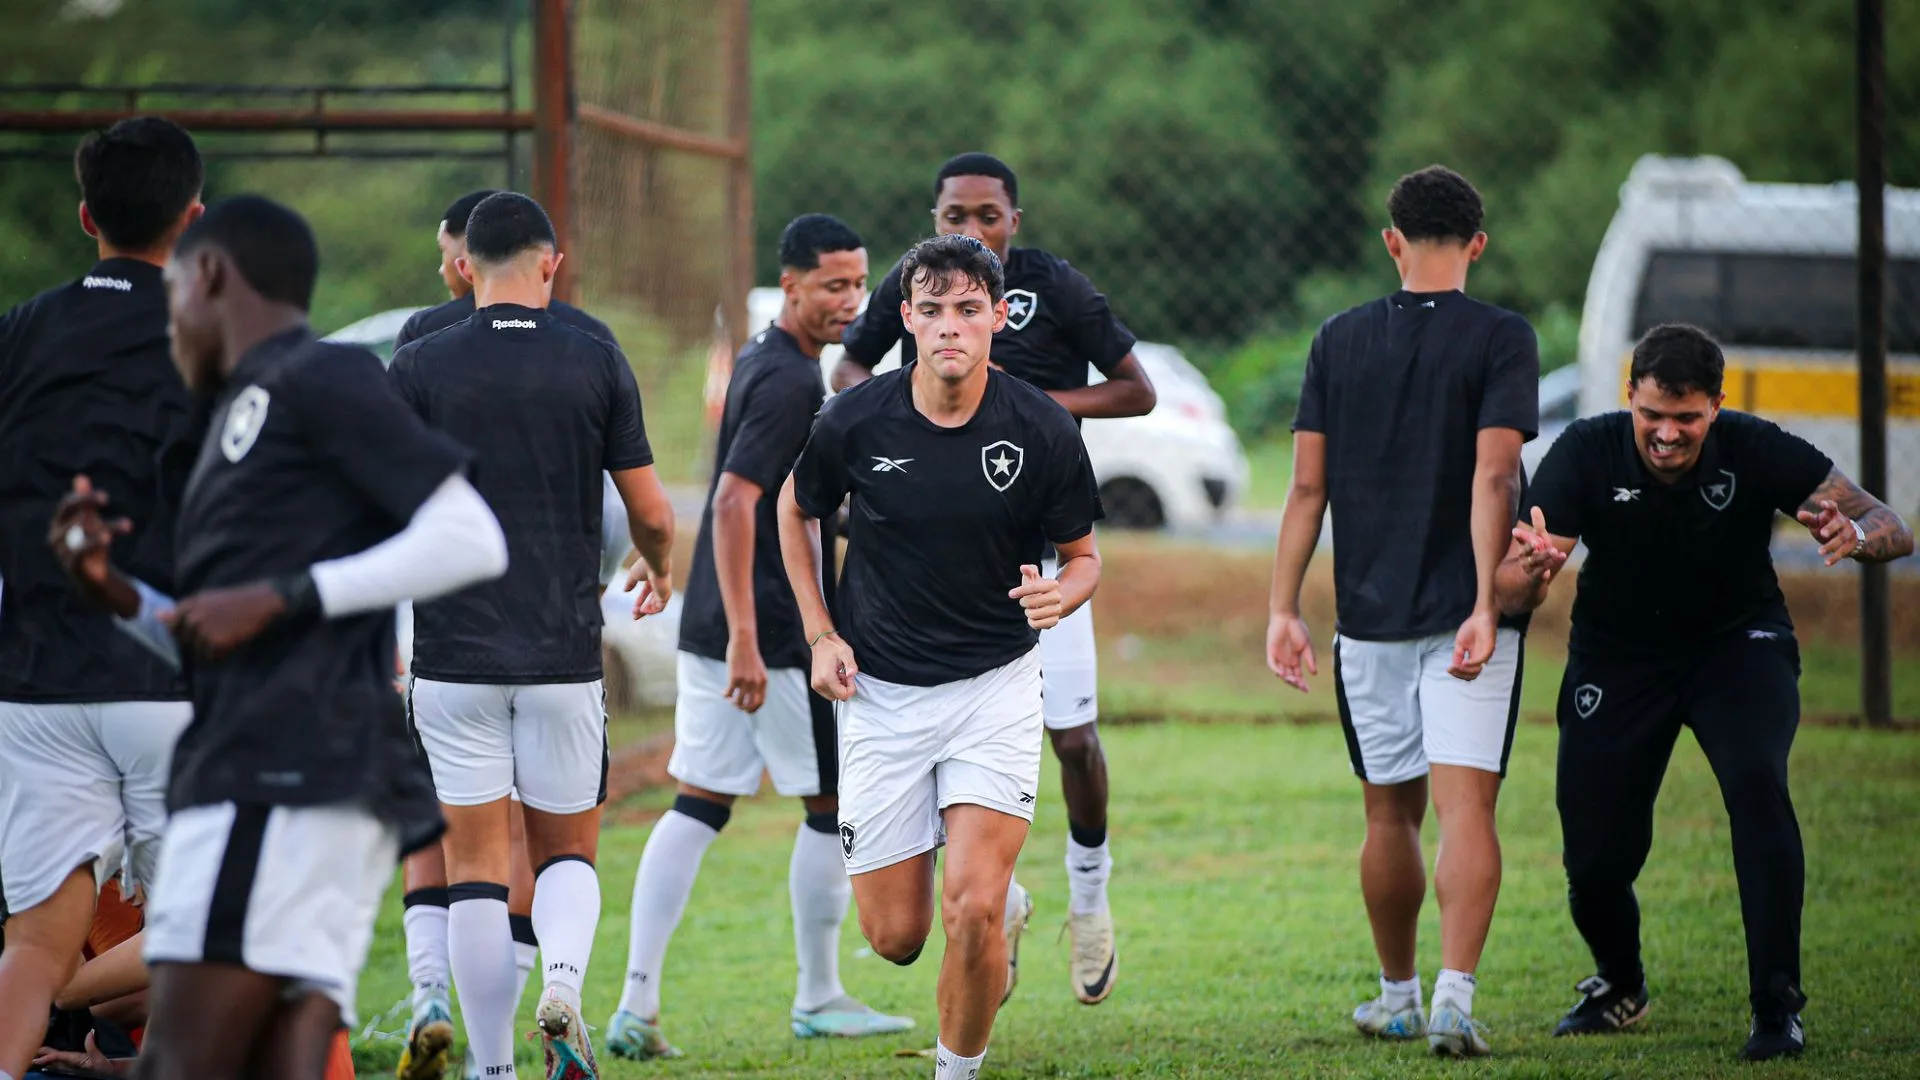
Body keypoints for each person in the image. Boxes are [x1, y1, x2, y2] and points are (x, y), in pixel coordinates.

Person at [49, 193, 510, 1080]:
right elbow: (212, 639)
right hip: (255, 767)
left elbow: (470, 537)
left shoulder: (317, 376)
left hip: (286, 777)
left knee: (184, 1059)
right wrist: (111, 593)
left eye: (174, 286)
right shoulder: (223, 421)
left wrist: (288, 595)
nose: (166, 314)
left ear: (211, 274)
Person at [1497, 322, 1914, 1061]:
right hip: (1618, 659)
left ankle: (1776, 1006)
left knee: (1757, 782)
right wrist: (1527, 573)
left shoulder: (1756, 446)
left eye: (1686, 419)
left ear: (1715, 407)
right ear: (1630, 397)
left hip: (1736, 646)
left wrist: (1859, 535)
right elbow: (1512, 588)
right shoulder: (1586, 452)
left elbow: (1893, 525)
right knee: (1594, 855)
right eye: (1652, 415)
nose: (1666, 434)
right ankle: (1620, 986)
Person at [779, 233, 1104, 1080]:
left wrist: (1061, 595)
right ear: (905, 321)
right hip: (882, 696)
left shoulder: (1041, 426)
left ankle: (957, 1063)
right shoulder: (853, 420)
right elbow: (794, 508)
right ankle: (998, 903)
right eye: (931, 311)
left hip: (994, 689)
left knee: (969, 912)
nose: (949, 327)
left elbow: (1085, 556)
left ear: (998, 316)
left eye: (968, 310)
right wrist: (821, 632)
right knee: (896, 939)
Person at [834, 152, 1149, 1006]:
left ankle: (1089, 902)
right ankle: (991, 898)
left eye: (988, 217)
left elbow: (1136, 389)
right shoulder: (921, 282)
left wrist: (1036, 403)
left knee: (1074, 736)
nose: (970, 231)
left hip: (1036, 561)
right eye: (953, 217)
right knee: (911, 899)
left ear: (1017, 221)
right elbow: (850, 370)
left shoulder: (1056, 289)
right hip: (926, 565)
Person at [605, 214, 913, 1060]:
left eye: (859, 285)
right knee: (832, 803)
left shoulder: (764, 362)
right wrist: (750, 636)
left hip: (718, 621)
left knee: (699, 801)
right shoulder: (784, 381)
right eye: (832, 287)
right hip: (773, 635)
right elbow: (739, 502)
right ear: (792, 286)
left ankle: (636, 1005)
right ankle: (818, 997)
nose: (850, 302)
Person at [389, 190, 675, 1080]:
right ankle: (561, 984)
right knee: (565, 855)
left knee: (472, 868)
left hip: (452, 657)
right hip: (560, 654)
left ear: (464, 266)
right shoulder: (595, 357)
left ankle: (491, 1068)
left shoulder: (419, 363)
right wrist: (656, 565)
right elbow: (653, 512)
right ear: (552, 263)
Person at [1265, 165, 1536, 1057]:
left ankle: (1398, 996)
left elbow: (1308, 490)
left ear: (1392, 241)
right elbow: (1494, 474)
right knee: (1468, 813)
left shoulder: (1337, 340)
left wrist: (1284, 611)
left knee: (1389, 816)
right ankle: (1455, 998)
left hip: (1366, 620)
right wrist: (1484, 604)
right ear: (1477, 245)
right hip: (1468, 620)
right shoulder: (1502, 337)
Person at [0, 116, 206, 1080]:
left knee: (35, 939)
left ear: (85, 216)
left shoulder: (20, 333)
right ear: (193, 218)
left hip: (35, 674)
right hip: (173, 673)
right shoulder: (216, 335)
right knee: (197, 928)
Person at [393, 188, 617, 349]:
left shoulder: (424, 334)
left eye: (444, 250)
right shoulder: (593, 336)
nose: (442, 269)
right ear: (549, 265)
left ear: (466, 261)